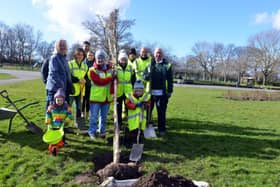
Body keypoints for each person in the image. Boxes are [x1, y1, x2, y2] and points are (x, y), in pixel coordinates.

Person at [143, 48, 173, 136]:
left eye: (160, 53)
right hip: (150, 94)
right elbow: (144, 77)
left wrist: (169, 91)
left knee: (161, 112)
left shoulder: (167, 65)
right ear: (154, 54)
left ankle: (161, 129)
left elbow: (170, 80)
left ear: (162, 54)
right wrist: (148, 74)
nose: (158, 55)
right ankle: (146, 127)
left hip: (162, 94)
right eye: (156, 53)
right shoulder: (150, 65)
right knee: (148, 112)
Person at [88, 49, 114, 139]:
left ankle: (102, 131)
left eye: (102, 58)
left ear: (105, 59)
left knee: (104, 117)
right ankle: (92, 132)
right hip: (96, 98)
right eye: (98, 58)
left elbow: (115, 81)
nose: (100, 60)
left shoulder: (110, 69)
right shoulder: (92, 70)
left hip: (107, 98)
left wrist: (113, 91)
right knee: (94, 117)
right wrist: (110, 78)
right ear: (95, 59)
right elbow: (99, 82)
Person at [45, 88, 73, 155]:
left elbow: (70, 115)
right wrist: (48, 120)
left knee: (63, 134)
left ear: (63, 100)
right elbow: (48, 113)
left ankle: (63, 142)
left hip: (62, 123)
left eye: (61, 100)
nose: (59, 102)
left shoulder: (66, 107)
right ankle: (53, 143)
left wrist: (67, 120)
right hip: (53, 123)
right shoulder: (51, 107)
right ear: (55, 100)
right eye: (58, 100)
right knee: (54, 134)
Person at [46, 39, 72, 109]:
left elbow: (67, 74)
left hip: (63, 91)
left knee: (61, 113)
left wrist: (70, 85)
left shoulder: (65, 59)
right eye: (60, 45)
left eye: (64, 45)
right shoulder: (54, 58)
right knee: (52, 113)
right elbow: (54, 74)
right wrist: (62, 86)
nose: (62, 47)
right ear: (56, 47)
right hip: (55, 90)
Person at [125, 80, 150, 146]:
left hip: (141, 119)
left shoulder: (145, 96)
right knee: (133, 132)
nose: (138, 92)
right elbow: (127, 104)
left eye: (140, 90)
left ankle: (139, 141)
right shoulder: (130, 97)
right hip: (133, 120)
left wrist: (145, 105)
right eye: (137, 90)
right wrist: (135, 105)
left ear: (143, 90)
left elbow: (148, 104)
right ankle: (132, 141)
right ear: (134, 90)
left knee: (140, 131)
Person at [68, 48, 88, 128]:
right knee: (67, 108)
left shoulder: (85, 66)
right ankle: (61, 123)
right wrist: (78, 80)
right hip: (71, 90)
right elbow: (68, 76)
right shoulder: (70, 64)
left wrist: (85, 80)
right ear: (75, 55)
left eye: (81, 54)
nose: (80, 56)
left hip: (80, 90)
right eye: (78, 54)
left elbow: (86, 76)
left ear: (83, 56)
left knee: (79, 108)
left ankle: (78, 124)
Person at [116, 50, 135, 128]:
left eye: (125, 59)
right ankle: (119, 123)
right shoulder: (116, 68)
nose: (123, 61)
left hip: (128, 91)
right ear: (119, 60)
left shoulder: (130, 68)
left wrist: (134, 90)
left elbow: (133, 79)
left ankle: (130, 123)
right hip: (119, 91)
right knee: (118, 108)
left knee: (129, 107)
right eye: (122, 59)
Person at [82, 50, 95, 120]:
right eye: (89, 55)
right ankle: (82, 114)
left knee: (89, 100)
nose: (90, 56)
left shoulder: (95, 64)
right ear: (86, 56)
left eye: (91, 55)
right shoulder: (83, 63)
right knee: (83, 100)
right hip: (84, 85)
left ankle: (87, 114)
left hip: (92, 85)